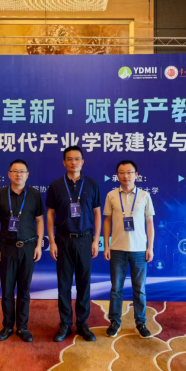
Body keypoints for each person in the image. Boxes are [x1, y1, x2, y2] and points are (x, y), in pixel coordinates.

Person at [46, 146, 102, 342]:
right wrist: (52, 241)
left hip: (85, 239)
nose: (73, 162)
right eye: (69, 159)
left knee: (84, 283)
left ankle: (83, 324)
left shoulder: (92, 184)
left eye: (77, 159)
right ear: (64, 162)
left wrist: (96, 239)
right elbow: (50, 214)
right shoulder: (56, 185)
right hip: (62, 239)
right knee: (64, 284)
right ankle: (65, 324)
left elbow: (97, 213)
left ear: (82, 162)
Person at [0, 159, 44, 343]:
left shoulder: (34, 195)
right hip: (6, 247)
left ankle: (22, 327)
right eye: (15, 171)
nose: (19, 174)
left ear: (27, 175)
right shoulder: (0, 194)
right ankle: (7, 326)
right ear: (9, 174)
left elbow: (40, 220)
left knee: (24, 290)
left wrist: (38, 245)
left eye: (22, 171)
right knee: (7, 289)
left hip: (28, 247)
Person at [103, 160, 155, 339]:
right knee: (116, 288)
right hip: (117, 249)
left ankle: (141, 323)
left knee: (139, 289)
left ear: (136, 175)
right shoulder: (111, 195)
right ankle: (114, 322)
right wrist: (106, 245)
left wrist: (150, 247)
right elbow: (107, 221)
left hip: (139, 250)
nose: (126, 176)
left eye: (129, 172)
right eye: (122, 172)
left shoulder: (145, 196)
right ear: (117, 175)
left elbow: (150, 222)